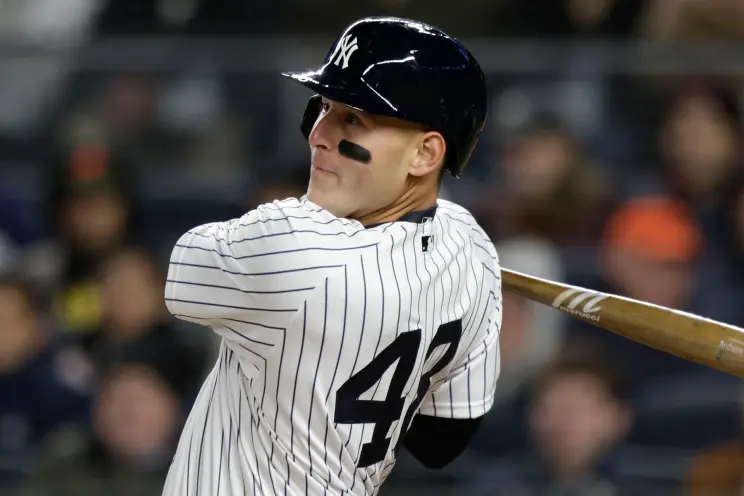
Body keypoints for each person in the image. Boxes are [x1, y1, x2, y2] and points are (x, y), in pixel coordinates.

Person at [162, 17, 501, 496]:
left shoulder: (293, 241)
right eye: (323, 107)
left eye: (354, 119)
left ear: (425, 155)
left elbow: (181, 277)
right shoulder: (472, 248)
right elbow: (440, 441)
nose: (317, 134)